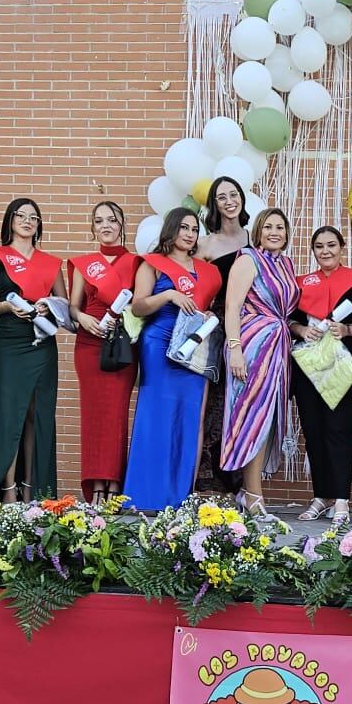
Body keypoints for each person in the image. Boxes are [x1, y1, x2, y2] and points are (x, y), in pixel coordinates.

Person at [121, 207, 223, 511]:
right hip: (159, 343)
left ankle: (180, 496)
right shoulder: (152, 264)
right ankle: (146, 495)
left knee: (190, 418)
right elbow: (138, 306)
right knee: (156, 417)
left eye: (194, 229)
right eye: (184, 228)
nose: (190, 234)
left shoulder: (209, 271)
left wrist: (206, 314)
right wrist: (168, 296)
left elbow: (209, 308)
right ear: (172, 229)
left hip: (192, 348)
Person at [288, 225, 352, 524]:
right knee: (313, 431)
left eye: (331, 245)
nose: (325, 251)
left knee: (339, 430)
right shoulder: (300, 284)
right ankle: (321, 496)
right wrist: (301, 329)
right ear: (313, 251)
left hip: (344, 366)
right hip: (309, 366)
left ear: (342, 247)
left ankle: (341, 499)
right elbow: (288, 320)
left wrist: (349, 329)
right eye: (319, 246)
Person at [0, 197, 63, 500]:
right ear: (10, 221)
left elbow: (64, 305)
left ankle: (31, 487)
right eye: (21, 216)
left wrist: (49, 306)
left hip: (42, 342)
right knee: (8, 414)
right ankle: (6, 489)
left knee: (36, 414)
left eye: (34, 217)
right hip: (8, 341)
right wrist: (5, 306)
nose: (28, 221)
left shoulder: (52, 263)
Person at [220, 208, 297, 515]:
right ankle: (254, 497)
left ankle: (249, 492)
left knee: (265, 420)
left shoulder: (286, 265)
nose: (275, 231)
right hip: (251, 346)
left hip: (277, 348)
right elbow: (231, 306)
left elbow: (286, 313)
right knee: (252, 417)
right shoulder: (248, 260)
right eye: (268, 226)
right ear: (258, 231)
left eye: (280, 226)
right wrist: (235, 349)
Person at [67, 202, 140, 502]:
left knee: (116, 414)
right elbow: (73, 306)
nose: (106, 225)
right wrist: (82, 318)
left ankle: (114, 484)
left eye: (112, 220)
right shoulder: (84, 264)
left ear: (122, 225)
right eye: (99, 221)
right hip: (89, 342)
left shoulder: (138, 263)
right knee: (93, 416)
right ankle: (95, 485)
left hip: (121, 344)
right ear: (93, 227)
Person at [195, 178, 252, 496]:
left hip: (251, 327)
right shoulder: (205, 244)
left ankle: (240, 478)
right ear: (214, 205)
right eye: (221, 197)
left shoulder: (253, 239)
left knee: (243, 400)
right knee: (216, 401)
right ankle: (210, 478)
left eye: (234, 194)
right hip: (217, 329)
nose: (229, 201)